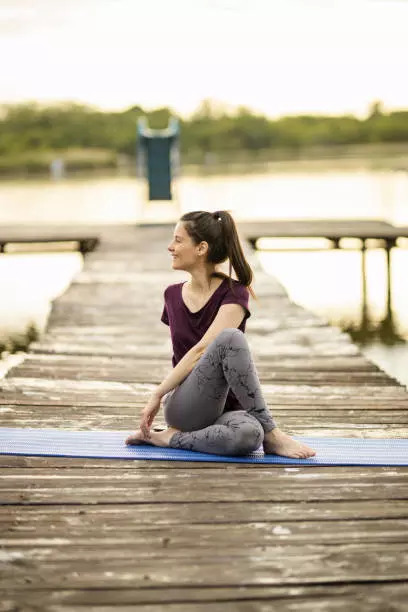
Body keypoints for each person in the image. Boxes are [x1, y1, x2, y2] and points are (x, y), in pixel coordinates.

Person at [125, 210, 316, 458]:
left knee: (249, 435)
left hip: (228, 412)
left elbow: (204, 348)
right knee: (230, 338)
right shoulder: (172, 295)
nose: (170, 247)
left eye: (178, 240)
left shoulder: (234, 293)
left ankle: (168, 438)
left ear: (201, 248)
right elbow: (198, 351)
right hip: (186, 407)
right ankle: (273, 434)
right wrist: (158, 393)